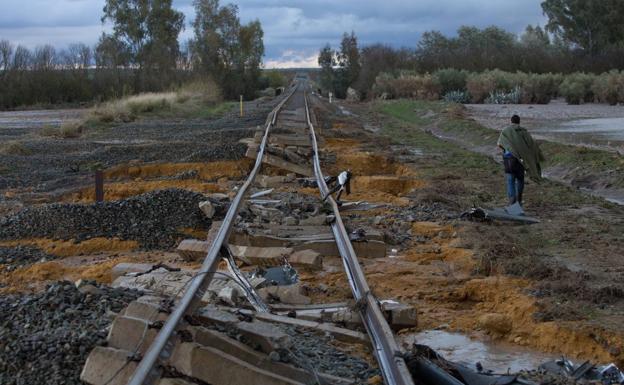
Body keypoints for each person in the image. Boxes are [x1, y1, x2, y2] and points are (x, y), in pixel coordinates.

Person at [497, 115, 544, 206]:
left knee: (510, 179)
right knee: (520, 179)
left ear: (511, 121)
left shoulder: (505, 131)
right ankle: (519, 199)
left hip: (509, 159)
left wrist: (506, 149)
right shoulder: (524, 131)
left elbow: (499, 144)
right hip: (521, 160)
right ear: (519, 122)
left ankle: (512, 200)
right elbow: (532, 146)